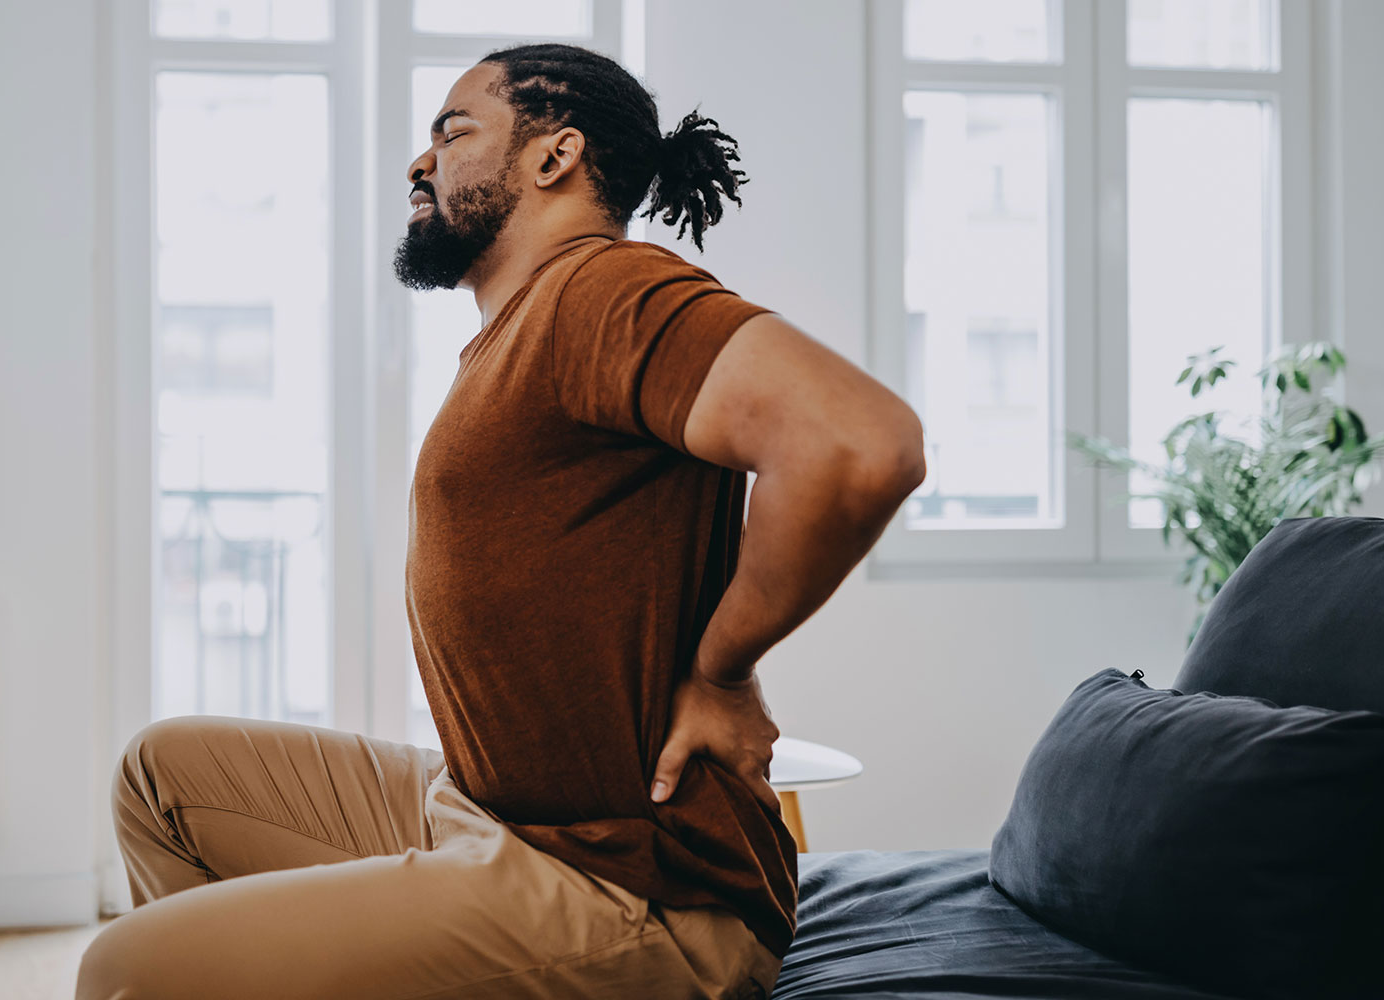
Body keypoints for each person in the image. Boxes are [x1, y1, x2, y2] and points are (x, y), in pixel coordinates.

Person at [77, 43, 924, 1000]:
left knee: (124, 971)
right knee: (162, 777)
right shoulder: (519, 324)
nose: (419, 159)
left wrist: (723, 672)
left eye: (452, 130)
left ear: (553, 158)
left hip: (626, 888)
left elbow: (860, 444)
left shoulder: (599, 289)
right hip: (484, 812)